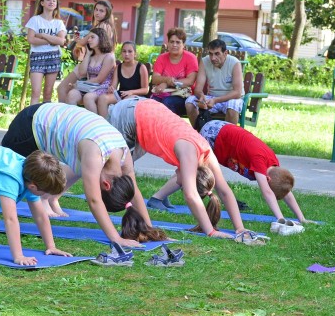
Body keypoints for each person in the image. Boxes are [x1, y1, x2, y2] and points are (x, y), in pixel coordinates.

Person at [109, 97, 265, 244]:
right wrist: (210, 231)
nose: (178, 181)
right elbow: (191, 195)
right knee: (116, 172)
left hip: (145, 111)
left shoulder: (205, 154)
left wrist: (240, 228)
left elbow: (224, 190)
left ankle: (147, 227)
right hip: (130, 113)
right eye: (182, 182)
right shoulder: (190, 155)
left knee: (125, 173)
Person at [1, 102, 156, 248]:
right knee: (6, 173)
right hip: (31, 125)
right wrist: (116, 238)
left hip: (52, 115)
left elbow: (135, 192)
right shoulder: (95, 153)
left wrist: (150, 230)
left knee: (81, 169)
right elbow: (94, 200)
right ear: (106, 185)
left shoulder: (123, 154)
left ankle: (50, 198)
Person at [194, 119, 314, 227]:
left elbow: (286, 189)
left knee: (198, 172)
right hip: (214, 133)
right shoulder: (259, 163)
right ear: (268, 180)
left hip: (224, 130)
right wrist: (280, 219)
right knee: (196, 171)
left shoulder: (274, 166)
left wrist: (301, 218)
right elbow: (267, 192)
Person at [58, 0, 117, 102]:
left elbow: (83, 43)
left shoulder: (102, 27)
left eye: (101, 11)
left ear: (107, 13)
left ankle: (63, 116)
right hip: (92, 63)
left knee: (62, 88)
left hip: (92, 64)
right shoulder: (108, 26)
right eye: (96, 10)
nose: (97, 13)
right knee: (69, 91)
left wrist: (79, 42)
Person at [185, 39, 244, 126]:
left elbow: (237, 93)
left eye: (217, 54)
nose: (213, 58)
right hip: (212, 98)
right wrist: (201, 97)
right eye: (210, 54)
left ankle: (228, 137)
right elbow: (198, 88)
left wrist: (216, 100)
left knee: (232, 106)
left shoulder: (234, 62)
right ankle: (200, 134)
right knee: (190, 102)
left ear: (225, 53)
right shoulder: (205, 61)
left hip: (230, 98)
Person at [25, 0, 67, 105]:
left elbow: (61, 41)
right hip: (37, 57)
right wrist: (52, 40)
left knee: (48, 92)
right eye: (48, 0)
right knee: (35, 92)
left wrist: (43, 35)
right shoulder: (35, 20)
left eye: (54, 0)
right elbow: (31, 40)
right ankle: (31, 118)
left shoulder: (59, 23)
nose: (51, 2)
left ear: (56, 4)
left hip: (53, 57)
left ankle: (44, 120)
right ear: (42, 3)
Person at [64, 27, 116, 117]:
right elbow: (82, 73)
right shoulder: (91, 55)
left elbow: (99, 79)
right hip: (88, 87)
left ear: (101, 38)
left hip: (102, 87)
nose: (89, 40)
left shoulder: (109, 57)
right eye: (88, 37)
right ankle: (71, 123)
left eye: (92, 37)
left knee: (88, 97)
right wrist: (87, 54)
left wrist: (80, 84)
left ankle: (94, 125)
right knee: (71, 94)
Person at [150, 27, 198, 115]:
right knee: (151, 103)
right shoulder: (162, 58)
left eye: (178, 42)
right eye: (171, 42)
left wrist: (167, 82)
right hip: (163, 93)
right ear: (168, 43)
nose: (174, 45)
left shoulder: (190, 58)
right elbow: (155, 78)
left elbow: (190, 81)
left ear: (183, 44)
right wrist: (166, 80)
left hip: (183, 96)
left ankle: (168, 128)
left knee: (167, 102)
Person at [99, 41, 149, 118]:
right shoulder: (118, 67)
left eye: (130, 51)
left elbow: (145, 90)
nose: (126, 54)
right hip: (122, 94)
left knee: (126, 101)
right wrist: (111, 89)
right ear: (121, 53)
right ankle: (106, 124)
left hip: (136, 96)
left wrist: (131, 92)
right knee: (102, 98)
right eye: (124, 51)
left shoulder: (141, 67)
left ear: (135, 54)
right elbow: (114, 86)